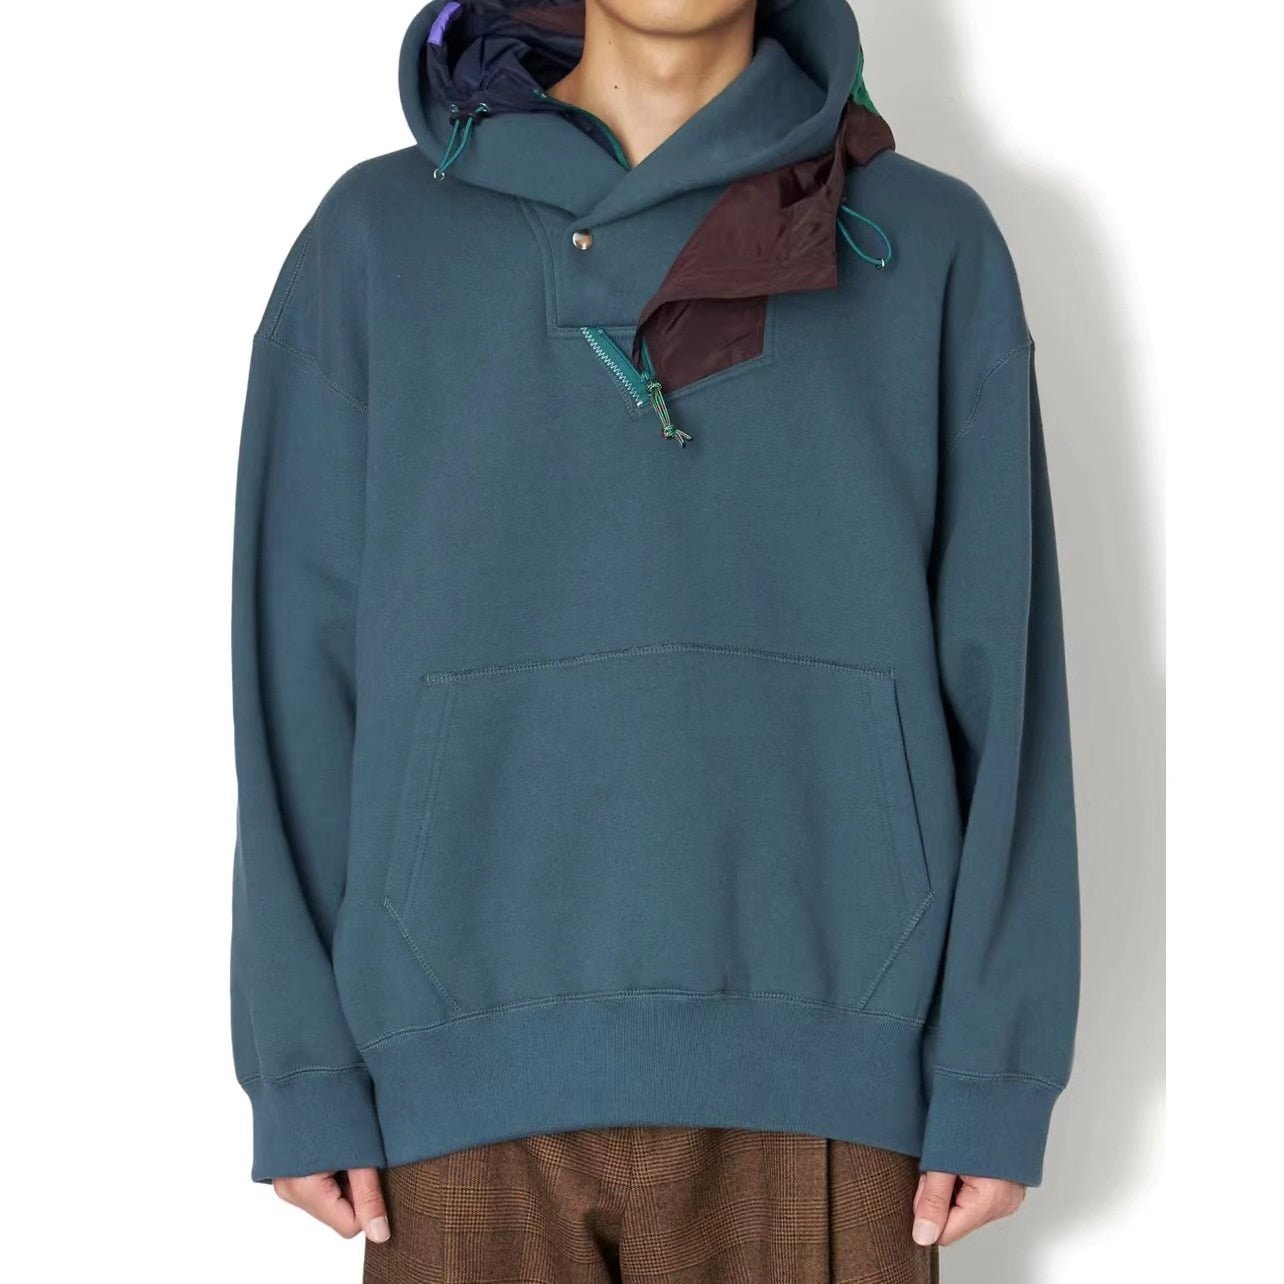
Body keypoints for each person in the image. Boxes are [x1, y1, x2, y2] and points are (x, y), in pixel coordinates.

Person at [229, 1, 1080, 1279]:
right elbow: (293, 667)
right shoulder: (376, 243)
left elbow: (1009, 675)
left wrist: (996, 1070)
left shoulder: (929, 244)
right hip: (452, 1086)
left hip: (833, 1079)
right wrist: (300, 1066)